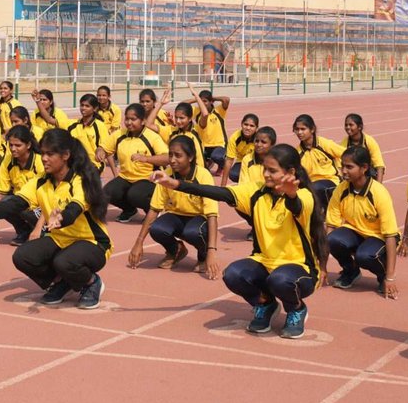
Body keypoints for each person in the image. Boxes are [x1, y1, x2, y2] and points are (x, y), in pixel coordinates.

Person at [155, 144, 320, 338]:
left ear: (290, 172)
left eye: (273, 170)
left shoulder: (305, 196)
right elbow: (218, 193)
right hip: (264, 263)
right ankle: (265, 304)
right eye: (264, 168)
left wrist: (291, 193)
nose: (266, 174)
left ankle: (296, 309)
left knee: (280, 280)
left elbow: (297, 205)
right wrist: (176, 185)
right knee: (233, 274)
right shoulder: (255, 192)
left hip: (298, 270)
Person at [0, 128, 109, 309]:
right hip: (60, 239)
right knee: (23, 256)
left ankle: (91, 282)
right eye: (42, 153)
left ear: (66, 155)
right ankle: (63, 282)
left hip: (92, 242)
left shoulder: (79, 181)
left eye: (50, 154)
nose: (44, 158)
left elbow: (74, 209)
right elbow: (13, 204)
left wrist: (61, 218)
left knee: (64, 261)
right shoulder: (41, 182)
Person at [127, 135, 220, 278]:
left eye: (178, 156)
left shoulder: (203, 176)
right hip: (176, 216)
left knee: (194, 232)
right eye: (170, 155)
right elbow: (154, 209)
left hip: (198, 219)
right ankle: (176, 250)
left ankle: (203, 256)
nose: (172, 159)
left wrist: (212, 250)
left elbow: (212, 215)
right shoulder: (166, 175)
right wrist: (139, 242)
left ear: (190, 157)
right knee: (157, 228)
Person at [324, 145, 399, 297]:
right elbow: (331, 226)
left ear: (364, 168)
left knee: (365, 256)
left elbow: (390, 235)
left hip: (379, 237)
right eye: (342, 166)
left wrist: (390, 277)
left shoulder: (378, 192)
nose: (344, 171)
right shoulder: (341, 190)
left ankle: (382, 277)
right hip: (355, 231)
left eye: (349, 167)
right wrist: (323, 267)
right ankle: (350, 271)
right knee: (332, 239)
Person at [100, 103, 167, 222]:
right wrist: (100, 152)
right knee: (108, 192)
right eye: (127, 119)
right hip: (126, 177)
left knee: (135, 195)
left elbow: (167, 158)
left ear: (142, 121)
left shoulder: (152, 137)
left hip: (148, 179)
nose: (129, 122)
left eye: (133, 119)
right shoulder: (120, 134)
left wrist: (146, 159)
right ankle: (129, 210)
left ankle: (154, 211)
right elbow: (103, 147)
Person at [0, 124, 42, 246]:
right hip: (22, 203)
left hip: (43, 206)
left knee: (28, 212)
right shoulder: (8, 160)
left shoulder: (40, 162)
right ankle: (24, 232)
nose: (13, 149)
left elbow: (50, 197)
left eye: (18, 145)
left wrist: (38, 228)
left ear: (28, 145)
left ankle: (43, 231)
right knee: (5, 202)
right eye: (11, 145)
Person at [292, 114, 343, 212]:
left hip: (331, 182)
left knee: (314, 189)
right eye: (296, 129)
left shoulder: (325, 144)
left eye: (303, 129)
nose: (299, 132)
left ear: (312, 129)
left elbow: (348, 154)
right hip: (311, 185)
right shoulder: (297, 153)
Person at [68, 94, 113, 169]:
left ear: (95, 109)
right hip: (76, 165)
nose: (83, 108)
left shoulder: (100, 126)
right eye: (82, 105)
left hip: (94, 166)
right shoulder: (73, 125)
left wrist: (115, 173)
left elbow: (107, 149)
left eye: (87, 106)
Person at [195, 90, 232, 175]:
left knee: (216, 156)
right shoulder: (196, 111)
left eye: (205, 101)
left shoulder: (219, 111)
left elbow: (226, 99)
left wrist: (213, 98)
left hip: (219, 144)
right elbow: (182, 104)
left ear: (211, 102)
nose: (203, 104)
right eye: (201, 101)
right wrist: (196, 99)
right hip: (204, 146)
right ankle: (209, 161)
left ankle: (222, 165)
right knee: (201, 168)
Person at [341, 114, 387, 179]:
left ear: (359, 127)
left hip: (368, 174)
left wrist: (379, 187)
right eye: (346, 125)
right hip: (351, 174)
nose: (348, 127)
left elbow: (379, 166)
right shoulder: (344, 143)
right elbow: (340, 164)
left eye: (351, 125)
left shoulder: (369, 141)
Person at [219, 114, 260, 186]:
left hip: (256, 162)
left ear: (256, 128)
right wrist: (223, 186)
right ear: (241, 124)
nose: (248, 128)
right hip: (241, 162)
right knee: (233, 174)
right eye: (246, 124)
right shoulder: (235, 137)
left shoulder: (259, 139)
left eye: (252, 126)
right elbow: (229, 161)